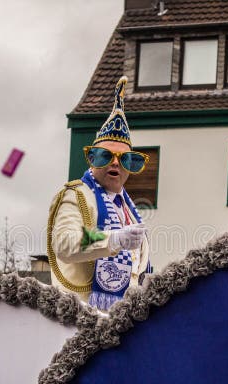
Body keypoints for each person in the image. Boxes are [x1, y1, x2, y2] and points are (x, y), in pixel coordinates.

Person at [47, 75, 152, 310]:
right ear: (92, 160)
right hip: (79, 316)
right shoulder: (77, 195)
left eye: (124, 158)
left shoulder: (130, 209)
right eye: (106, 156)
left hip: (124, 320)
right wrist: (112, 239)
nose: (115, 164)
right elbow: (65, 242)